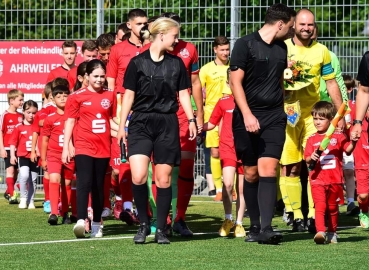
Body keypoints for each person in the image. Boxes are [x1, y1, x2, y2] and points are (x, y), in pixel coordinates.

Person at [116, 17, 197, 244]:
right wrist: (123, 126)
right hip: (141, 123)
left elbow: (183, 94)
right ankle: (143, 224)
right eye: (174, 35)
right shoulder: (137, 63)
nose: (177, 39)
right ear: (161, 35)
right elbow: (128, 95)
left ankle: (161, 229)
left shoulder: (177, 63)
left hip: (167, 123)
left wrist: (191, 119)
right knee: (139, 176)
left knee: (163, 180)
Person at [230, 3, 295, 245]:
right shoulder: (244, 45)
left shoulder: (282, 48)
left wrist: (282, 106)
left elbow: (279, 81)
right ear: (280, 24)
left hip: (274, 117)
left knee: (269, 167)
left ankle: (267, 228)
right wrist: (247, 115)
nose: (291, 31)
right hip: (247, 116)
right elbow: (235, 83)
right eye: (290, 26)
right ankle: (255, 226)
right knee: (251, 172)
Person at [280, 8, 344, 233]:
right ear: (294, 25)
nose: (306, 28)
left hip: (312, 117)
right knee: (291, 166)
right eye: (302, 24)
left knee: (312, 164)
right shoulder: (282, 48)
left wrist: (339, 114)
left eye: (310, 25)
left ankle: (313, 216)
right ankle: (294, 214)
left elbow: (332, 82)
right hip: (287, 116)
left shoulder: (322, 51)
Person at [62, 59, 113, 238]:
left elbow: (113, 121)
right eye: (95, 76)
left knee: (98, 186)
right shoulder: (76, 96)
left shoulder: (110, 96)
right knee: (84, 182)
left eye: (102, 76)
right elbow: (69, 122)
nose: (99, 79)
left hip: (104, 148)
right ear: (87, 77)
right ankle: (81, 221)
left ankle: (97, 223)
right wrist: (66, 147)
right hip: (83, 146)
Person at [107, 9, 148, 225]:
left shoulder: (153, 47)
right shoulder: (118, 50)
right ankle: (126, 206)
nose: (143, 26)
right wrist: (115, 114)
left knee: (146, 161)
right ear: (129, 25)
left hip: (148, 107)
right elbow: (112, 84)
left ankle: (147, 209)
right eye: (139, 23)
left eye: (145, 23)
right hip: (124, 108)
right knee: (122, 160)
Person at [304, 101, 357, 244]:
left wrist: (354, 141)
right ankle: (320, 231)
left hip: (335, 180)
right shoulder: (311, 140)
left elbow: (348, 150)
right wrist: (311, 157)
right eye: (315, 118)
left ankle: (332, 232)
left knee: (333, 208)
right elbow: (307, 159)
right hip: (317, 180)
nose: (317, 122)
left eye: (321, 119)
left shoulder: (338, 137)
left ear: (331, 119)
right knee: (320, 206)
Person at [203, 68, 246, 237]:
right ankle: (228, 218)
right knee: (227, 184)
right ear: (229, 83)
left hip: (245, 149)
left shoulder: (250, 101)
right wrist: (196, 125)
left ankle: (239, 223)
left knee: (242, 189)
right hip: (227, 148)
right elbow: (212, 123)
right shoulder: (223, 101)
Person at [200, 36, 230, 201]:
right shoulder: (206, 69)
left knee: (232, 152)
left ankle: (230, 186)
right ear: (215, 50)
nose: (226, 53)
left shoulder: (234, 67)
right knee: (215, 151)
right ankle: (219, 189)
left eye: (227, 49)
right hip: (212, 114)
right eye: (222, 50)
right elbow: (198, 91)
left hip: (230, 114)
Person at [41, 85, 76, 225]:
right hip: (54, 154)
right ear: (53, 100)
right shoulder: (50, 119)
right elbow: (44, 140)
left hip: (69, 156)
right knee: (54, 179)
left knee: (67, 184)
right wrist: (43, 158)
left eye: (65, 95)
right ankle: (53, 213)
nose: (62, 98)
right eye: (58, 96)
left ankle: (65, 212)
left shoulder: (74, 117)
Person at [30, 81, 58, 213]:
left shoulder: (65, 108)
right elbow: (38, 126)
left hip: (62, 146)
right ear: (50, 95)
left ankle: (59, 200)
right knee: (47, 173)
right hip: (47, 148)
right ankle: (48, 200)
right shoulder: (44, 111)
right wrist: (34, 149)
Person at [350, 51, 369, 228]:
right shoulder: (368, 58)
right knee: (363, 195)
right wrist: (358, 122)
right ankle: (364, 210)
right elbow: (364, 90)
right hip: (364, 133)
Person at [9, 100, 38, 209]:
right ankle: (23, 198)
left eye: (34, 113)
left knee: (33, 180)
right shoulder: (18, 127)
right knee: (24, 175)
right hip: (23, 156)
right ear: (23, 112)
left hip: (35, 157)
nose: (31, 115)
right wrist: (12, 155)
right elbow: (13, 142)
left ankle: (31, 201)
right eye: (28, 112)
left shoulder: (38, 126)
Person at [0, 89, 24, 203]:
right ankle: (13, 195)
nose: (22, 102)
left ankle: (8, 191)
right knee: (10, 171)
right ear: (11, 101)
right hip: (8, 148)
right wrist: (2, 148)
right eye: (20, 100)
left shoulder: (21, 115)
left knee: (16, 172)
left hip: (19, 148)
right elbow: (0, 131)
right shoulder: (4, 115)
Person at [341, 75, 359, 215]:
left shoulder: (354, 106)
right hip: (332, 144)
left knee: (349, 171)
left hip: (348, 144)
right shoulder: (330, 105)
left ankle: (351, 202)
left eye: (345, 88)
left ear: (349, 90)